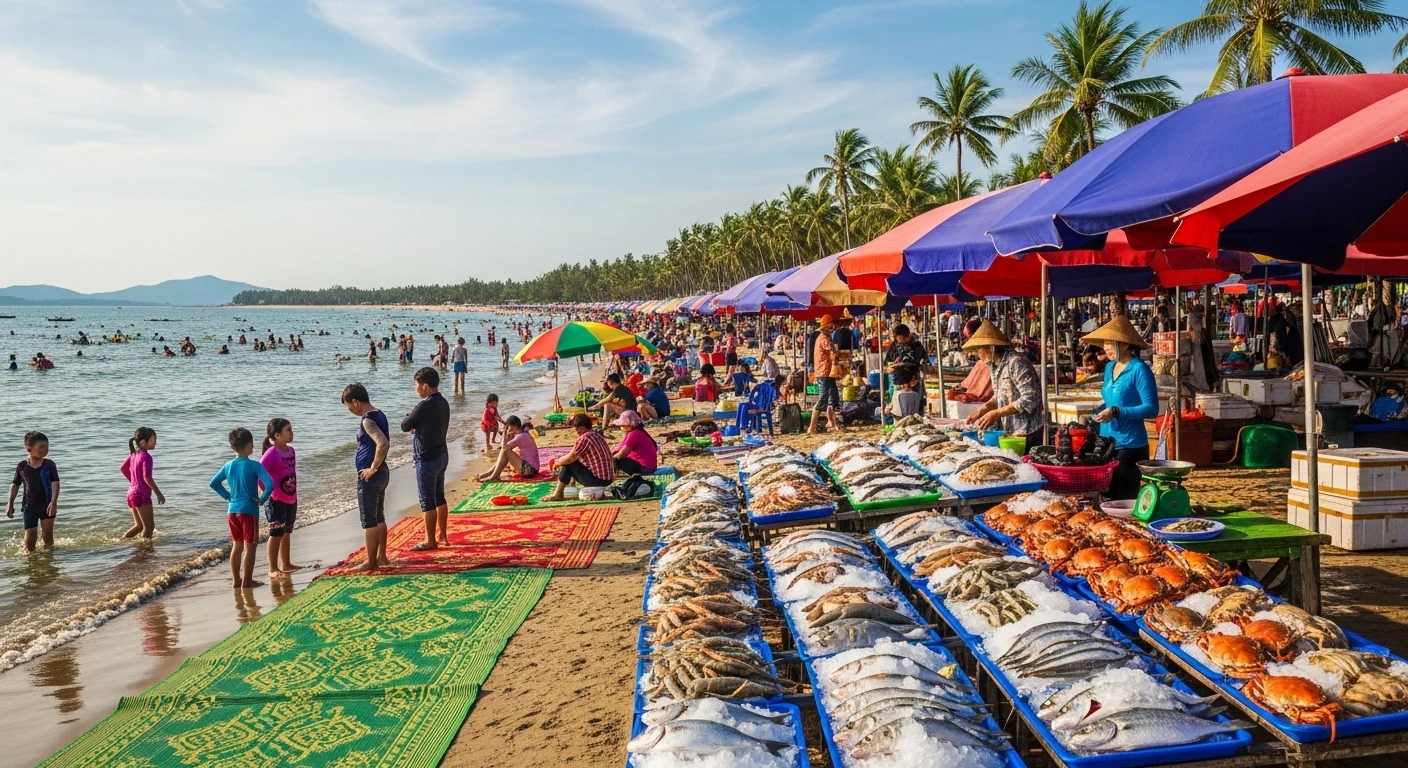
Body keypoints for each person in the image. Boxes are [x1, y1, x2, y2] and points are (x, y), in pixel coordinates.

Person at [1084, 315, 1159, 500]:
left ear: (1125, 344)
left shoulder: (1139, 369)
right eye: (1105, 343)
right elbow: (1110, 400)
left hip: (1130, 446)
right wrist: (1100, 412)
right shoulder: (1109, 368)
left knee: (1123, 501)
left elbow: (1152, 408)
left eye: (1111, 342)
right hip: (1107, 444)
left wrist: (1118, 412)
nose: (1106, 347)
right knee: (1105, 500)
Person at [208, 427, 274, 589]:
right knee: (250, 546)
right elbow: (270, 484)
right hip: (248, 511)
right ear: (250, 445)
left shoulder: (228, 465)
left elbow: (214, 483)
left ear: (233, 447)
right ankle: (247, 581)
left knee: (237, 545)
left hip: (232, 510)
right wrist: (262, 499)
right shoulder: (254, 466)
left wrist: (228, 496)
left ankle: (236, 580)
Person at [965, 320, 1043, 440]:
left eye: (979, 349)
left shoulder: (1016, 362)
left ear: (991, 347)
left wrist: (997, 413)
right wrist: (983, 409)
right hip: (1010, 430)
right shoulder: (993, 366)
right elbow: (999, 396)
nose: (978, 353)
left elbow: (1030, 397)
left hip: (1027, 430)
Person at [342, 383, 391, 572]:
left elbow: (383, 443)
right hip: (382, 472)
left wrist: (372, 468)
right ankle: (382, 556)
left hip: (371, 475)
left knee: (369, 520)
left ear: (355, 402)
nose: (349, 410)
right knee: (379, 516)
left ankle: (372, 561)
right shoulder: (380, 413)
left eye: (348, 406)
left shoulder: (367, 420)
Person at [402, 367, 451, 550]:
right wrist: (419, 424)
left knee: (427, 500)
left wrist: (413, 420)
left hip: (427, 457)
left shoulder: (425, 404)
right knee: (439, 496)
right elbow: (432, 424)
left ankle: (430, 541)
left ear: (424, 385)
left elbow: (405, 425)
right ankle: (443, 535)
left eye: (416, 384)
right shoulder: (443, 402)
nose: (415, 388)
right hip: (442, 454)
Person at [260, 418, 301, 578]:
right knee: (276, 533)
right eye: (288, 430)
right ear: (277, 435)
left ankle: (286, 563)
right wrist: (267, 493)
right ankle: (272, 568)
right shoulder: (271, 453)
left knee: (287, 532)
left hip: (290, 497)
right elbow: (259, 474)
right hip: (275, 499)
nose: (292, 432)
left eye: (291, 428)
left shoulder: (291, 451)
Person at [7, 431, 59, 553]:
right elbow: (15, 485)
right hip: (29, 507)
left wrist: (54, 502)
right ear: (29, 449)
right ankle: (31, 566)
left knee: (48, 538)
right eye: (41, 447)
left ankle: (48, 563)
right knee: (30, 540)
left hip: (47, 506)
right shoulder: (22, 466)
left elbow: (55, 483)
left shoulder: (49, 465)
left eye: (47, 446)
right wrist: (10, 504)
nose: (45, 450)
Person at [544, 414, 615, 500]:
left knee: (569, 462)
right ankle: (570, 485)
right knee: (572, 461)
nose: (578, 432)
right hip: (608, 479)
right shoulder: (597, 435)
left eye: (579, 429)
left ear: (582, 428)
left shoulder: (586, 438)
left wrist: (557, 462)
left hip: (598, 480)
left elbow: (571, 457)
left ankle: (558, 494)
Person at [120, 427, 163, 540]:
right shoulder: (146, 457)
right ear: (143, 442)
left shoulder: (133, 455)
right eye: (153, 439)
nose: (156, 442)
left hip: (131, 494)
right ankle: (145, 552)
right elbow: (147, 477)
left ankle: (121, 542)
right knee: (149, 528)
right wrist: (158, 493)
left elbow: (123, 469)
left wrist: (134, 482)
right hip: (141, 495)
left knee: (139, 526)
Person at [477, 415, 540, 482]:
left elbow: (504, 447)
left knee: (506, 450)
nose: (507, 429)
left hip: (530, 471)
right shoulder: (523, 434)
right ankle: (492, 473)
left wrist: (504, 433)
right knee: (506, 450)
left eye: (508, 427)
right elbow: (506, 446)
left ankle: (494, 475)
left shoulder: (521, 437)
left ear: (513, 427)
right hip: (531, 469)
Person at [809, 314, 843, 434]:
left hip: (828, 372)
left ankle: (833, 424)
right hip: (823, 372)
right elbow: (833, 352)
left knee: (832, 397)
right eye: (831, 326)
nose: (833, 328)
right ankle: (812, 426)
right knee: (823, 398)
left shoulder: (825, 337)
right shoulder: (824, 338)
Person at [886, 323, 929, 412]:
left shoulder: (916, 345)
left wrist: (922, 366)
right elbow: (888, 361)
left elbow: (924, 361)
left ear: (906, 336)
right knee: (899, 406)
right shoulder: (895, 345)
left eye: (900, 338)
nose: (899, 340)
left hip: (914, 379)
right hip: (898, 379)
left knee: (915, 404)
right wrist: (892, 365)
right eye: (897, 338)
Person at [611, 411, 659, 475]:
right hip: (647, 466)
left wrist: (611, 459)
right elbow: (620, 447)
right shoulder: (635, 432)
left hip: (645, 468)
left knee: (619, 461)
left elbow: (622, 454)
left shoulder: (634, 434)